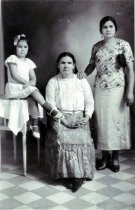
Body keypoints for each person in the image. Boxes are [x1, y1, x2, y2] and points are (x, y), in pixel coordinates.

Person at [78, 16, 134, 172]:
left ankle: (115, 158)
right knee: (102, 123)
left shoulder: (124, 45)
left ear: (115, 28)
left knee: (117, 122)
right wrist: (84, 73)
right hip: (101, 88)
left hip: (118, 88)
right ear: (100, 30)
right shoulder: (96, 47)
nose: (108, 29)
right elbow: (91, 65)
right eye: (104, 27)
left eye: (110, 26)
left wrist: (130, 92)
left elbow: (130, 69)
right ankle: (104, 157)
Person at [45, 52, 95, 192]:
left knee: (81, 139)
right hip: (59, 117)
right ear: (58, 65)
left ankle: (78, 177)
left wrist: (87, 117)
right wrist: (64, 120)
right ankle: (66, 176)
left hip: (79, 116)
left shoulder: (81, 80)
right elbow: (51, 106)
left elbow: (89, 101)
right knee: (64, 139)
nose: (66, 65)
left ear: (74, 65)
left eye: (69, 63)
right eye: (62, 62)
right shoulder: (53, 82)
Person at [4, 34, 62, 138]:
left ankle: (35, 125)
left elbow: (33, 79)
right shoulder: (12, 58)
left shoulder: (29, 62)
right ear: (15, 47)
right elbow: (14, 75)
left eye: (25, 47)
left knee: (33, 99)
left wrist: (29, 83)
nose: (22, 49)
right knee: (33, 91)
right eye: (19, 46)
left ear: (28, 49)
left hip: (25, 89)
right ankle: (49, 108)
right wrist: (27, 83)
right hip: (14, 89)